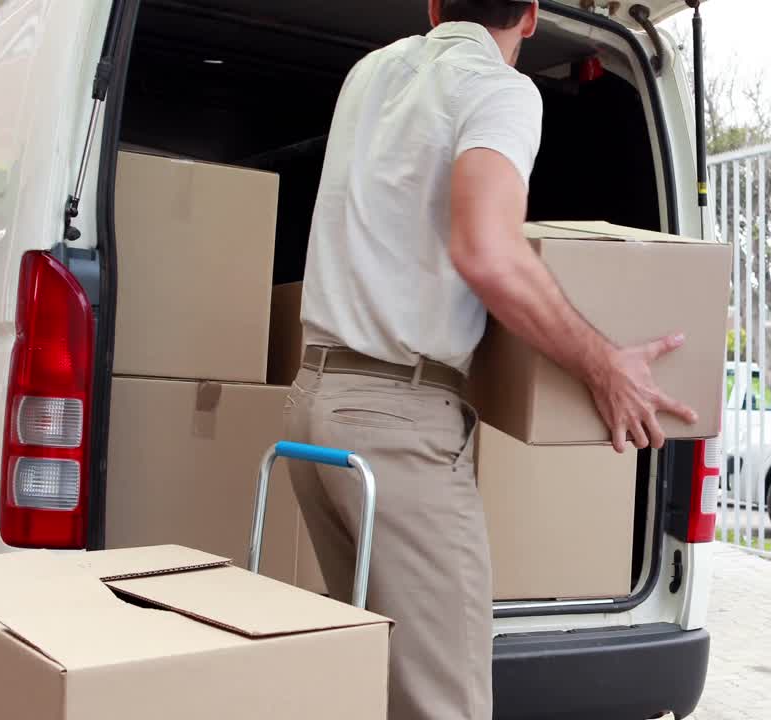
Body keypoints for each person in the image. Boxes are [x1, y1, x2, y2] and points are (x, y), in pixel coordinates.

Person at [284, 1, 697, 718]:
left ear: (436, 3)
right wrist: (604, 364)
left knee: (372, 687)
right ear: (532, 17)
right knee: (445, 704)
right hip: (398, 429)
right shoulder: (499, 89)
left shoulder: (369, 74)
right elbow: (487, 249)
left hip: (314, 408)